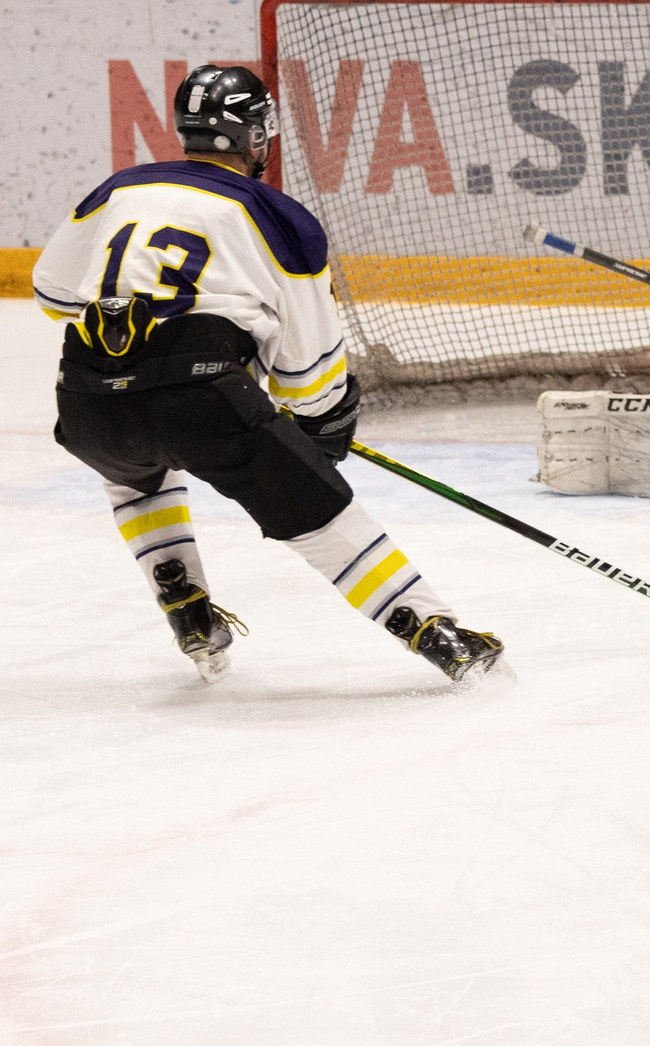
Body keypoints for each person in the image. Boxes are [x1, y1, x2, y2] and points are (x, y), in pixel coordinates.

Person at [33, 65, 505, 684]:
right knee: (317, 513)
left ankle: (188, 610)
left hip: (87, 399)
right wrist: (315, 425)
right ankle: (434, 631)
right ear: (258, 137)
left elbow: (51, 292)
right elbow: (308, 371)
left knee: (134, 472)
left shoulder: (117, 188)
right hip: (199, 397)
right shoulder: (278, 215)